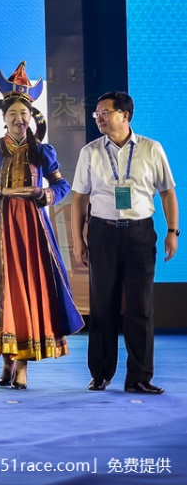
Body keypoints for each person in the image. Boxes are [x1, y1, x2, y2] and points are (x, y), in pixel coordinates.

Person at [0, 63, 83, 390]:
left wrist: (44, 194)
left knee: (27, 291)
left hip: (31, 230)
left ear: (31, 117)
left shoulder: (42, 151)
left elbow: (62, 186)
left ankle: (23, 366)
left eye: (23, 114)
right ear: (4, 118)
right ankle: (6, 362)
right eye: (12, 113)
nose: (18, 119)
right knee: (3, 293)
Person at [70, 91, 178, 395]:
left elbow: (167, 192)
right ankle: (100, 374)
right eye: (97, 114)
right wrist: (78, 239)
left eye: (105, 113)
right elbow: (80, 198)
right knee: (102, 305)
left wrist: (173, 231)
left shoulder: (152, 149)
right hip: (102, 233)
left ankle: (139, 378)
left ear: (125, 115)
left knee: (140, 307)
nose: (99, 118)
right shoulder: (90, 152)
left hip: (140, 234)